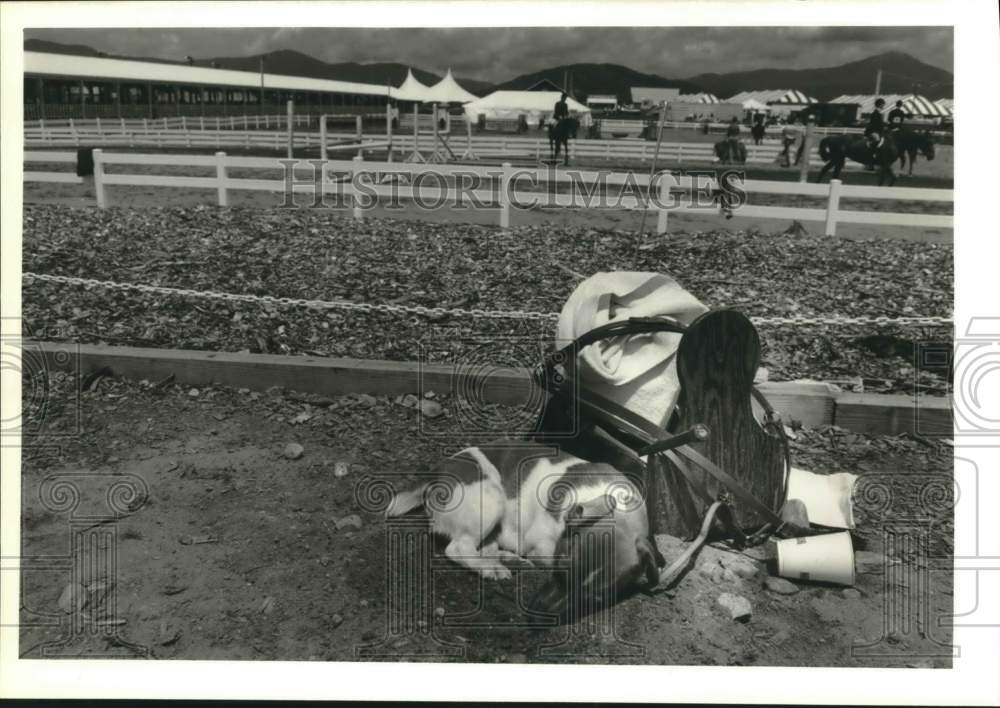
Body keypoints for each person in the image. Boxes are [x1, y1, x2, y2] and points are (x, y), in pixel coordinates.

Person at [864, 97, 887, 170]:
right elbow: (875, 124)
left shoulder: (879, 113)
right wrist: (883, 126)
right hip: (872, 131)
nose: (883, 106)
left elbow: (880, 124)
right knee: (877, 140)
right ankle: (872, 157)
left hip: (877, 131)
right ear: (879, 105)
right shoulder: (875, 113)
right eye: (883, 104)